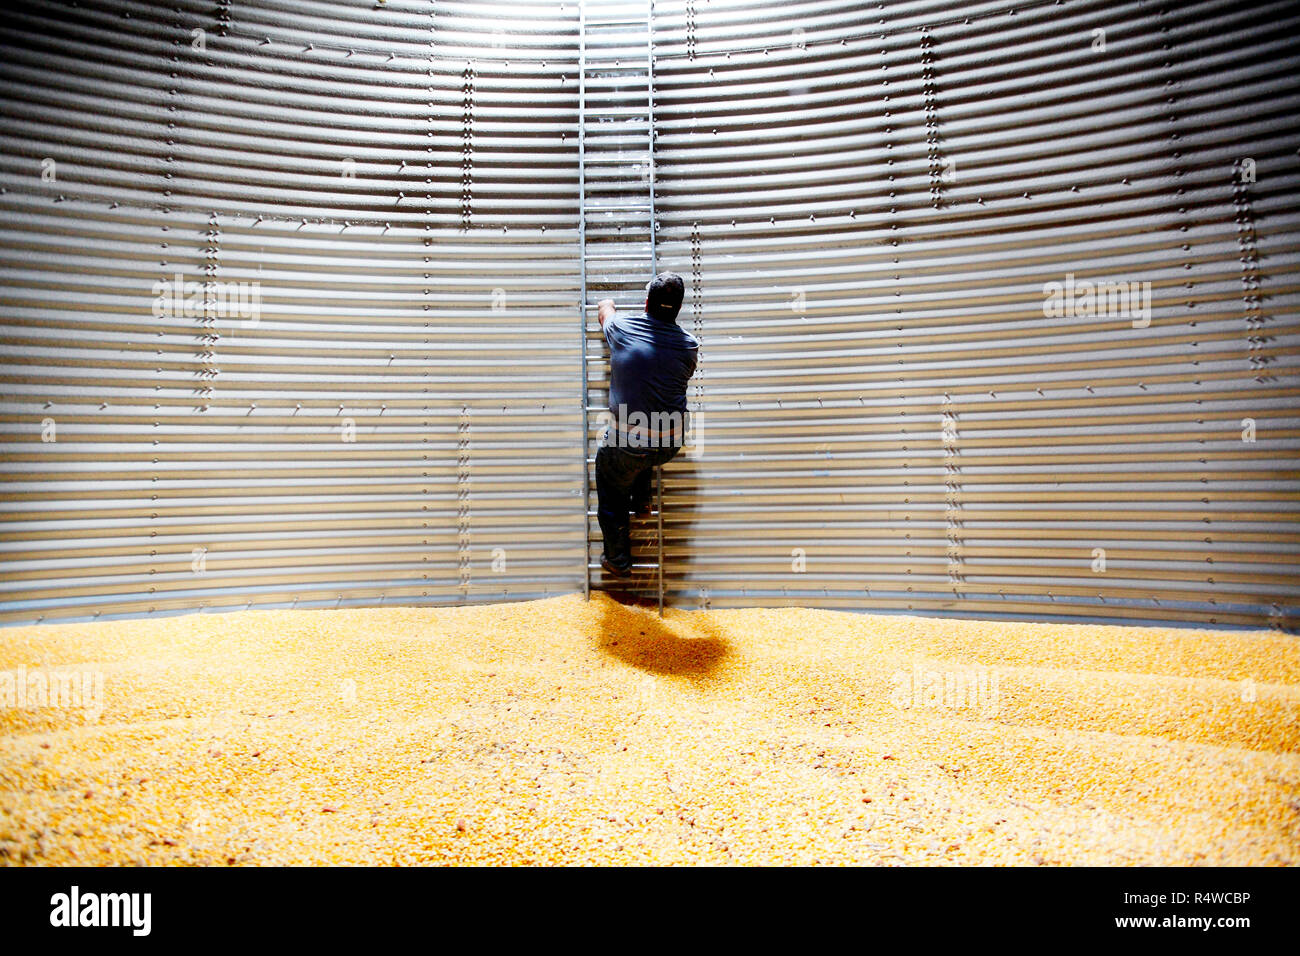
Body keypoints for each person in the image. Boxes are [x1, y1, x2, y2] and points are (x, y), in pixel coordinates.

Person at [595, 272, 699, 577]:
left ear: (645, 302)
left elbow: (605, 311)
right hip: (669, 443)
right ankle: (641, 503)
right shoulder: (689, 347)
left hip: (629, 445)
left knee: (612, 477)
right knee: (644, 445)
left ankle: (617, 561)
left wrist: (608, 302)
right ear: (679, 309)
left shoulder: (622, 328)